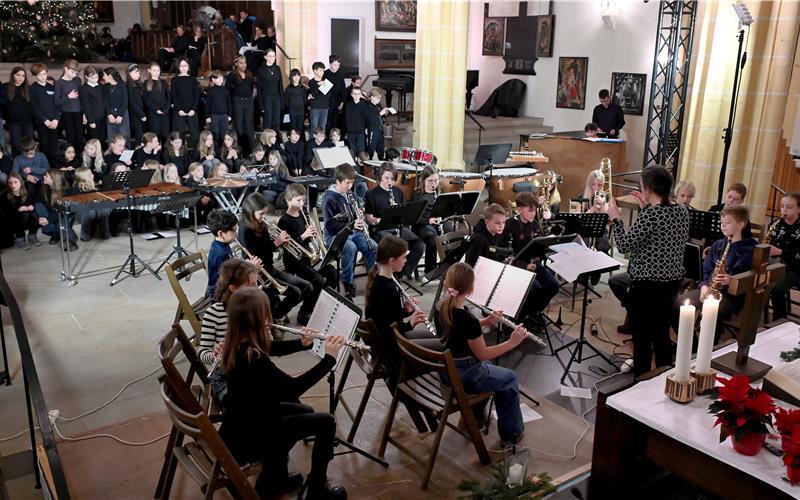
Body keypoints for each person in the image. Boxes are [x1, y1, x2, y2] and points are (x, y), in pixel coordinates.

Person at [219, 287, 347, 499]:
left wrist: (302, 343)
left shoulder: (236, 344)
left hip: (243, 423)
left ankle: (275, 477)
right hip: (250, 438)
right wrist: (329, 360)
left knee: (304, 409)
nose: (270, 319)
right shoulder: (254, 359)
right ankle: (316, 491)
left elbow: (271, 348)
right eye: (267, 313)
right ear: (257, 320)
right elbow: (292, 389)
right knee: (326, 422)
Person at [605, 165, 689, 376]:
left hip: (647, 285)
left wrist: (615, 218)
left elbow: (624, 245)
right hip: (670, 284)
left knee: (642, 336)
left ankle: (640, 378)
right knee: (661, 333)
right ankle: (664, 376)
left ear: (649, 188)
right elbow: (658, 238)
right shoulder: (681, 211)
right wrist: (644, 209)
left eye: (642, 186)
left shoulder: (651, 215)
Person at [199, 259, 319, 405]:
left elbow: (266, 347)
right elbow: (202, 351)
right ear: (233, 288)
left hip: (252, 371)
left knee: (291, 400)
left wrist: (300, 343)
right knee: (274, 403)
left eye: (257, 283)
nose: (258, 288)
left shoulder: (254, 308)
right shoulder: (214, 313)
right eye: (252, 284)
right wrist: (213, 355)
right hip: (225, 379)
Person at [433, 262, 528, 446]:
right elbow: (483, 354)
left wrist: (486, 320)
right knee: (508, 379)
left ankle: (473, 419)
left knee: (492, 370)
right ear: (471, 289)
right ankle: (512, 433)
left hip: (447, 369)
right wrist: (512, 342)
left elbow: (460, 330)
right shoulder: (468, 320)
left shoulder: (441, 306)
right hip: (465, 374)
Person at [673, 206, 754, 345]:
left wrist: (732, 280)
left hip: (731, 296)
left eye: (727, 222)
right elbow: (705, 269)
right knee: (677, 304)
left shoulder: (750, 249)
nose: (723, 226)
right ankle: (692, 346)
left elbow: (751, 278)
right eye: (721, 222)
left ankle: (710, 348)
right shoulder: (718, 244)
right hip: (709, 289)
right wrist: (703, 286)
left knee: (714, 313)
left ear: (741, 224)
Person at [238, 192, 309, 323]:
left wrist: (280, 243)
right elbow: (253, 255)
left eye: (265, 213)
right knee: (296, 292)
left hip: (270, 268)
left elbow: (269, 248)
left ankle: (276, 313)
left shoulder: (261, 224)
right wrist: (276, 242)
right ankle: (275, 316)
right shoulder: (244, 230)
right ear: (250, 212)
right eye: (261, 214)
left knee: (306, 286)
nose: (264, 217)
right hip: (261, 274)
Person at [322, 163, 377, 299]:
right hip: (336, 236)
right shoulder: (329, 198)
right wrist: (352, 224)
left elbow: (357, 209)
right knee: (350, 248)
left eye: (352, 183)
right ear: (337, 181)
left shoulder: (349, 194)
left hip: (353, 233)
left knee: (374, 247)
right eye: (347, 183)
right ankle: (348, 282)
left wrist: (360, 211)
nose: (350, 186)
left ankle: (373, 282)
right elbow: (330, 226)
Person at [278, 184, 338, 306]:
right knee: (318, 280)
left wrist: (312, 235)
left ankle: (321, 301)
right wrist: (304, 235)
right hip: (294, 260)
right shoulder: (284, 221)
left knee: (332, 272)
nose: (301, 204)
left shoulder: (302, 215)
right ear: (288, 200)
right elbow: (286, 245)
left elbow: (306, 241)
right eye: (298, 200)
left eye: (303, 200)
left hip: (307, 256)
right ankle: (306, 311)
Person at [505, 191, 561, 321]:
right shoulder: (510, 225)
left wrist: (547, 247)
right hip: (518, 267)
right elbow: (508, 253)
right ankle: (522, 316)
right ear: (519, 209)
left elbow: (539, 247)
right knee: (534, 287)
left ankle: (533, 312)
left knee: (553, 285)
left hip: (534, 265)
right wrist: (525, 266)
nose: (534, 213)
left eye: (535, 210)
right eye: (530, 210)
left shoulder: (535, 224)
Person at [364, 162, 424, 279]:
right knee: (395, 246)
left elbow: (405, 214)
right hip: (380, 229)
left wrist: (401, 212)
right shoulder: (371, 194)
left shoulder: (398, 192)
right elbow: (369, 218)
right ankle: (390, 276)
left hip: (397, 227)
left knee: (419, 245)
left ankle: (400, 275)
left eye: (392, 178)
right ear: (380, 176)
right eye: (386, 178)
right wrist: (382, 220)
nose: (390, 182)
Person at [206, 209, 258, 298]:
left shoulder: (222, 244)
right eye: (233, 231)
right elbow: (230, 281)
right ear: (221, 234)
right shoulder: (220, 254)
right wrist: (250, 268)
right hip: (222, 296)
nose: (236, 234)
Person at [767, 192, 800, 320]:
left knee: (777, 288)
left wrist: (781, 252)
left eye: (789, 207)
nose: (784, 210)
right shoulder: (775, 225)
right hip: (775, 264)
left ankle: (779, 320)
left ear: (798, 209)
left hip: (795, 268)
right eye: (782, 206)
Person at [35, 168, 77, 250]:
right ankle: (57, 235)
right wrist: (44, 219)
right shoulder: (43, 189)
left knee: (62, 221)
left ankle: (68, 241)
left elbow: (63, 209)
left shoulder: (67, 191)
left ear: (53, 178)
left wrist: (49, 219)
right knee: (38, 205)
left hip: (63, 214)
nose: (44, 177)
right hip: (50, 215)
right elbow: (38, 204)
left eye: (46, 175)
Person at [411, 166, 441, 275]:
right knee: (432, 239)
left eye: (436, 180)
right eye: (430, 181)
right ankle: (430, 270)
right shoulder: (418, 195)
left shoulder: (439, 192)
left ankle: (448, 266)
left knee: (454, 233)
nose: (434, 183)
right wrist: (428, 220)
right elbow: (415, 218)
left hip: (437, 222)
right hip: (421, 225)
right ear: (423, 180)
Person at [69, 167, 112, 241]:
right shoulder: (75, 189)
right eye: (90, 174)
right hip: (81, 213)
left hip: (95, 209)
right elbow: (76, 206)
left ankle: (104, 232)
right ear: (85, 177)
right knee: (89, 211)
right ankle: (85, 235)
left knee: (105, 209)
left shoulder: (95, 186)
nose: (93, 175)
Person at [29, 63, 60, 165]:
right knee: (45, 145)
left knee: (54, 145)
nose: (42, 77)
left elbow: (57, 105)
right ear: (35, 76)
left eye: (44, 74)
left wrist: (56, 119)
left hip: (54, 122)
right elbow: (34, 107)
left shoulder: (51, 87)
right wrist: (44, 120)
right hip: (42, 122)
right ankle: (45, 166)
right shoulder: (33, 88)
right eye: (39, 75)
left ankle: (55, 167)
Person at [1, 172, 41, 249]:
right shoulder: (5, 194)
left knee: (34, 214)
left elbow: (34, 201)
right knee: (24, 214)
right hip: (12, 220)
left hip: (26, 218)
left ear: (21, 182)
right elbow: (5, 212)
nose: (13, 185)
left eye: (15, 182)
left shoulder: (27, 190)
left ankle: (32, 235)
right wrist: (18, 209)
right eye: (10, 183)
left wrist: (32, 206)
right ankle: (19, 238)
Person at [465, 203, 512, 268]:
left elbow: (497, 256)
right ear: (487, 222)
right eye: (497, 223)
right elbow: (470, 263)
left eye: (503, 222)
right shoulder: (479, 239)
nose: (501, 226)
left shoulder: (498, 234)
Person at [226, 56, 255, 154]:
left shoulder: (249, 74)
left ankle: (250, 149)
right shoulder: (232, 75)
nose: (243, 64)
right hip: (237, 101)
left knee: (249, 125)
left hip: (248, 101)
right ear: (236, 64)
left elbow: (251, 88)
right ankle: (239, 150)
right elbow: (228, 91)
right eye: (241, 62)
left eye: (245, 62)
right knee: (239, 125)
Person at [54, 59, 84, 151]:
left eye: (76, 72)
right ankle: (72, 157)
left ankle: (80, 158)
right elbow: (57, 101)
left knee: (79, 137)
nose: (74, 74)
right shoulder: (59, 83)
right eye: (72, 72)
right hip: (67, 113)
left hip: (78, 112)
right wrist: (69, 97)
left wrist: (84, 113)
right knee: (71, 137)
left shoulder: (77, 81)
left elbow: (82, 98)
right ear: (66, 69)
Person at [170, 58, 200, 146]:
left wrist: (193, 110)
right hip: (179, 111)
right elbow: (173, 96)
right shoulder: (175, 80)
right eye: (181, 66)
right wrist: (179, 110)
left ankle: (197, 154)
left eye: (185, 65)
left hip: (191, 110)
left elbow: (197, 96)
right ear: (178, 67)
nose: (184, 67)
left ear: (188, 67)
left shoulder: (193, 79)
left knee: (195, 134)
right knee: (179, 134)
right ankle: (180, 154)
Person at [6, 67, 33, 157]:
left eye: (23, 76)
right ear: (13, 75)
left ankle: (28, 166)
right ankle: (17, 167)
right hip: (13, 123)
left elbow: (32, 107)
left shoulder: (28, 89)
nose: (20, 78)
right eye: (18, 75)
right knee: (16, 145)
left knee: (28, 145)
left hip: (27, 122)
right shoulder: (5, 88)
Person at [257, 48, 284, 134]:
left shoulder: (277, 68)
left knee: (276, 121)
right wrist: (261, 105)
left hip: (277, 98)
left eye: (273, 56)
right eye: (270, 56)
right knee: (268, 121)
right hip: (267, 98)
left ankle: (276, 141)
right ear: (265, 57)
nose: (272, 58)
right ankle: (267, 142)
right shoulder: (261, 70)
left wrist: (282, 101)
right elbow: (259, 88)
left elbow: (280, 85)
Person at [143, 62, 170, 142]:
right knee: (155, 136)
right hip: (153, 113)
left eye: (158, 70)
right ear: (149, 70)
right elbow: (146, 100)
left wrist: (165, 110)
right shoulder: (146, 83)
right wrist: (156, 109)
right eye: (154, 70)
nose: (156, 72)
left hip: (164, 113)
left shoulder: (163, 82)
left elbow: (168, 98)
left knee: (166, 136)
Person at [80, 66, 106, 145]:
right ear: (86, 77)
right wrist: (91, 121)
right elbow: (86, 106)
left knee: (102, 138)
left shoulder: (100, 86)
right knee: (94, 141)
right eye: (92, 78)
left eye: (96, 77)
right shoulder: (84, 89)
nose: (95, 80)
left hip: (102, 117)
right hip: (93, 119)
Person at [102, 67, 129, 140]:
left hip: (122, 114)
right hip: (110, 115)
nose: (103, 77)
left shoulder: (122, 85)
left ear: (110, 76)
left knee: (124, 136)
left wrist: (120, 115)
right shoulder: (105, 87)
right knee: (111, 137)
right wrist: (109, 114)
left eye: (104, 75)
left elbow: (125, 101)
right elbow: (105, 101)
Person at [205, 70, 231, 143]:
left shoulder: (226, 90)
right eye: (217, 78)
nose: (220, 80)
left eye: (221, 78)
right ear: (213, 79)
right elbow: (207, 104)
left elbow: (229, 103)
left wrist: (229, 115)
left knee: (225, 134)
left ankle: (223, 151)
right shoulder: (210, 91)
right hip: (214, 116)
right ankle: (216, 151)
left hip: (224, 116)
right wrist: (207, 116)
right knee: (215, 134)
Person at [323, 55, 347, 134]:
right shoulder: (325, 74)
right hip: (327, 103)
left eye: (338, 65)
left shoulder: (341, 74)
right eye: (335, 64)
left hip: (337, 103)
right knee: (327, 123)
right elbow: (324, 90)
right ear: (330, 64)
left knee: (335, 123)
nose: (337, 67)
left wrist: (342, 102)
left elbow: (343, 89)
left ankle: (334, 140)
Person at [125, 64, 146, 149]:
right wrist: (141, 114)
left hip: (140, 112)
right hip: (135, 114)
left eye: (139, 72)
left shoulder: (138, 84)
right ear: (129, 73)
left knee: (142, 137)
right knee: (139, 137)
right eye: (136, 72)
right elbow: (132, 102)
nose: (138, 74)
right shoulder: (129, 85)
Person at [344, 86, 368, 156]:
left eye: (358, 94)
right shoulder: (348, 105)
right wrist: (346, 132)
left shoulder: (364, 105)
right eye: (354, 94)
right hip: (351, 132)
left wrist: (366, 128)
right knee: (352, 150)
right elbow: (346, 119)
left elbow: (367, 118)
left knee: (361, 150)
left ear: (361, 95)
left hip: (361, 131)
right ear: (351, 95)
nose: (356, 96)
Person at [308, 62, 331, 133]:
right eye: (320, 70)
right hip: (315, 107)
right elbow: (315, 94)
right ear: (315, 71)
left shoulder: (325, 81)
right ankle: (311, 143)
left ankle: (322, 143)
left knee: (323, 127)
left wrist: (318, 94)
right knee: (314, 127)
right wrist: (318, 85)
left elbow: (329, 95)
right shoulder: (311, 82)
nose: (322, 72)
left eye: (323, 70)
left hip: (325, 107)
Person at [366, 89, 389, 161]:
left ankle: (381, 161)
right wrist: (380, 113)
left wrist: (385, 112)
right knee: (371, 149)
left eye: (380, 98)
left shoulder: (378, 105)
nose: (379, 100)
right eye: (378, 98)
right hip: (373, 130)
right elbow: (370, 119)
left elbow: (382, 116)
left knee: (381, 149)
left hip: (379, 130)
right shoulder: (368, 106)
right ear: (372, 97)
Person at [284, 69, 307, 137]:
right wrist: (291, 107)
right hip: (292, 111)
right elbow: (286, 101)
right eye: (294, 76)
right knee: (293, 128)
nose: (297, 77)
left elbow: (304, 99)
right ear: (291, 77)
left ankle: (300, 143)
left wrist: (301, 105)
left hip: (301, 110)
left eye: (298, 75)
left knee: (300, 128)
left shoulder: (303, 88)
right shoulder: (288, 89)